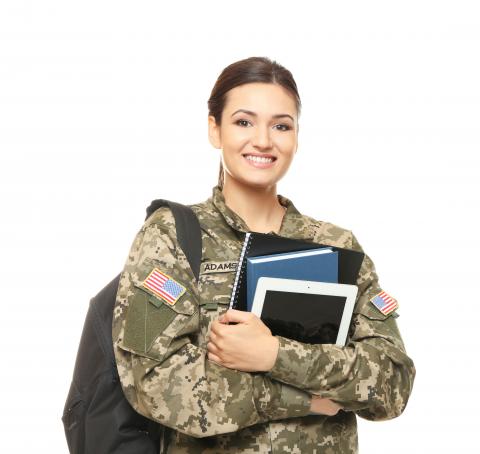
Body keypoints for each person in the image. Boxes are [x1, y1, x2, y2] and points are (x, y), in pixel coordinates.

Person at [112, 56, 416, 453]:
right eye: (243, 121)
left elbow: (392, 384)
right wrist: (305, 400)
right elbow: (152, 383)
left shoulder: (336, 246)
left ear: (296, 137)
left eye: (281, 125)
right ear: (214, 129)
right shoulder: (172, 234)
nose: (262, 140)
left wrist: (274, 354)